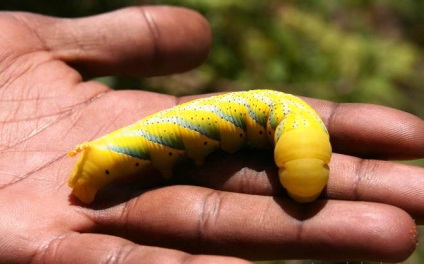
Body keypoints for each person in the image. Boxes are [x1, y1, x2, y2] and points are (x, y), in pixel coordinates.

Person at [0, 5, 423, 264]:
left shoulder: (283, 116)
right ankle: (95, 167)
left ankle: (98, 164)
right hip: (112, 156)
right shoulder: (284, 115)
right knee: (162, 140)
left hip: (117, 153)